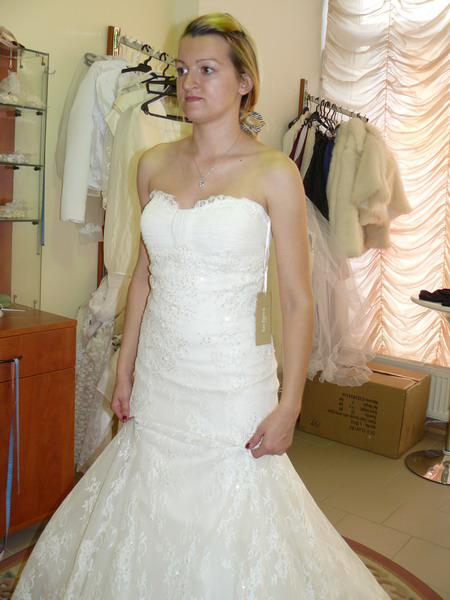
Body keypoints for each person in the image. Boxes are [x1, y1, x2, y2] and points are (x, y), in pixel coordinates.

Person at [13, 13, 388, 599]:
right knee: (147, 503)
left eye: (207, 70)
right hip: (161, 374)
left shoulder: (275, 173)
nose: (189, 82)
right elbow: (144, 274)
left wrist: (291, 403)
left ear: (245, 82)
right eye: (184, 69)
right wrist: (125, 365)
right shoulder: (152, 165)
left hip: (233, 380)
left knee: (236, 512)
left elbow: (296, 299)